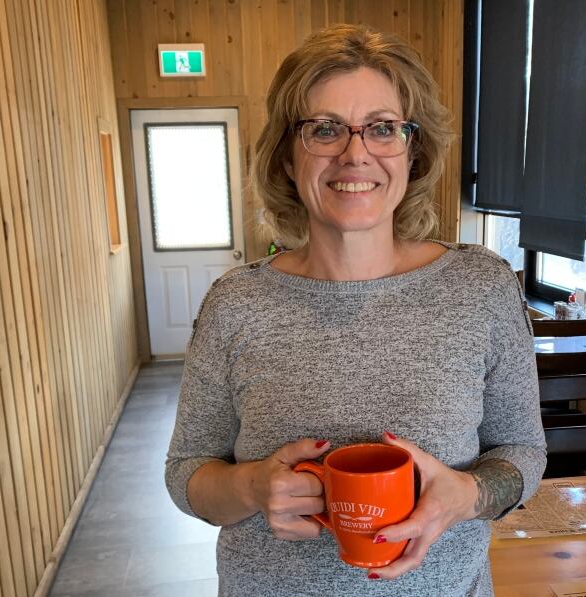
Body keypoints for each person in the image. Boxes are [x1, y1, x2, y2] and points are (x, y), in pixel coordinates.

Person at [165, 23, 546, 597]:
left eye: (383, 128)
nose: (355, 153)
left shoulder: (480, 288)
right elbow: (187, 472)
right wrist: (250, 487)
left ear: (412, 154)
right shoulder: (236, 304)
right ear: (287, 159)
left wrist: (467, 496)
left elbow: (523, 451)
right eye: (324, 129)